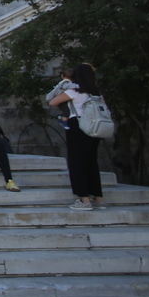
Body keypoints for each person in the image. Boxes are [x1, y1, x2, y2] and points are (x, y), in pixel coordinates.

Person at [49, 63, 105, 210]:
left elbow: (53, 102)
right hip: (95, 128)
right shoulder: (96, 93)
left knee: (77, 163)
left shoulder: (75, 90)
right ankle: (99, 199)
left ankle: (84, 199)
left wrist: (66, 109)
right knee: (92, 162)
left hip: (78, 125)